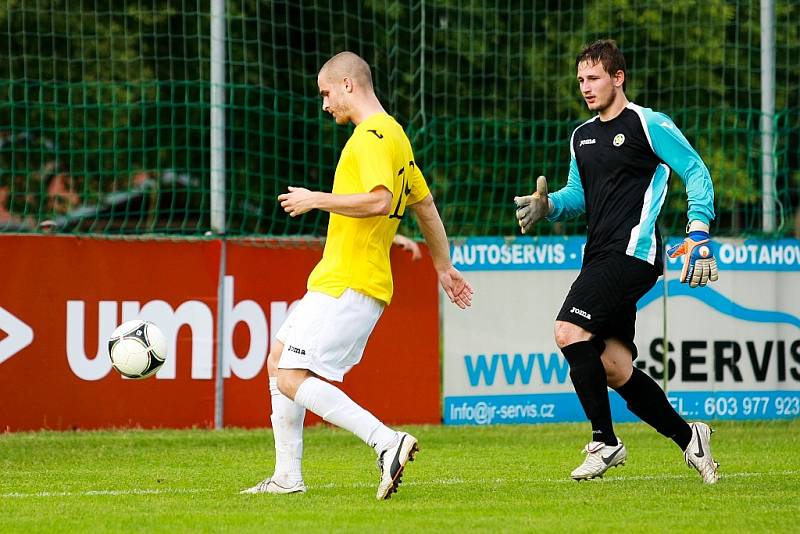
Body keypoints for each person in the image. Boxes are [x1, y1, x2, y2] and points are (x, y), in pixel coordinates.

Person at [242, 51, 473, 499]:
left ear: (348, 84)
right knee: (278, 361)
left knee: (290, 376)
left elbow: (380, 200)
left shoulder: (370, 136)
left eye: (326, 93)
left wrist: (316, 198)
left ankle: (387, 442)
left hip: (350, 281)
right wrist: (443, 266)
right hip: (337, 278)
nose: (324, 103)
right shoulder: (396, 136)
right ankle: (287, 477)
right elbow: (423, 206)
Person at [514, 39, 720, 483]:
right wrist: (547, 206)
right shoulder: (581, 136)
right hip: (599, 257)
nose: (586, 88)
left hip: (636, 254)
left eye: (594, 78)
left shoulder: (649, 124)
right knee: (613, 367)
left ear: (617, 77)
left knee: (568, 330)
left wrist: (698, 230)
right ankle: (691, 439)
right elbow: (578, 196)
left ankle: (604, 442)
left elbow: (695, 171)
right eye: (581, 80)